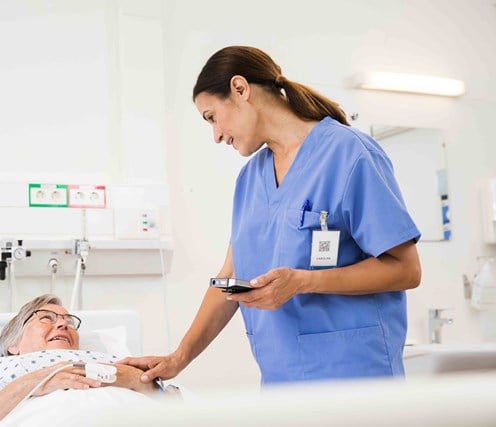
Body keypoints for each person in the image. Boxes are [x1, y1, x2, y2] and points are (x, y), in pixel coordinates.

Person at [123, 46, 422, 385]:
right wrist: (177, 358)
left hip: (355, 380)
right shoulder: (250, 179)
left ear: (240, 89)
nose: (216, 135)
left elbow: (406, 268)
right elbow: (229, 278)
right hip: (282, 383)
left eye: (211, 117)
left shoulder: (349, 153)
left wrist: (305, 281)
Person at [0, 294, 158, 426]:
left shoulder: (115, 360)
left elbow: (174, 400)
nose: (63, 325)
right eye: (46, 318)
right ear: (14, 345)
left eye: (69, 322)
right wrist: (34, 382)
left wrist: (135, 378)